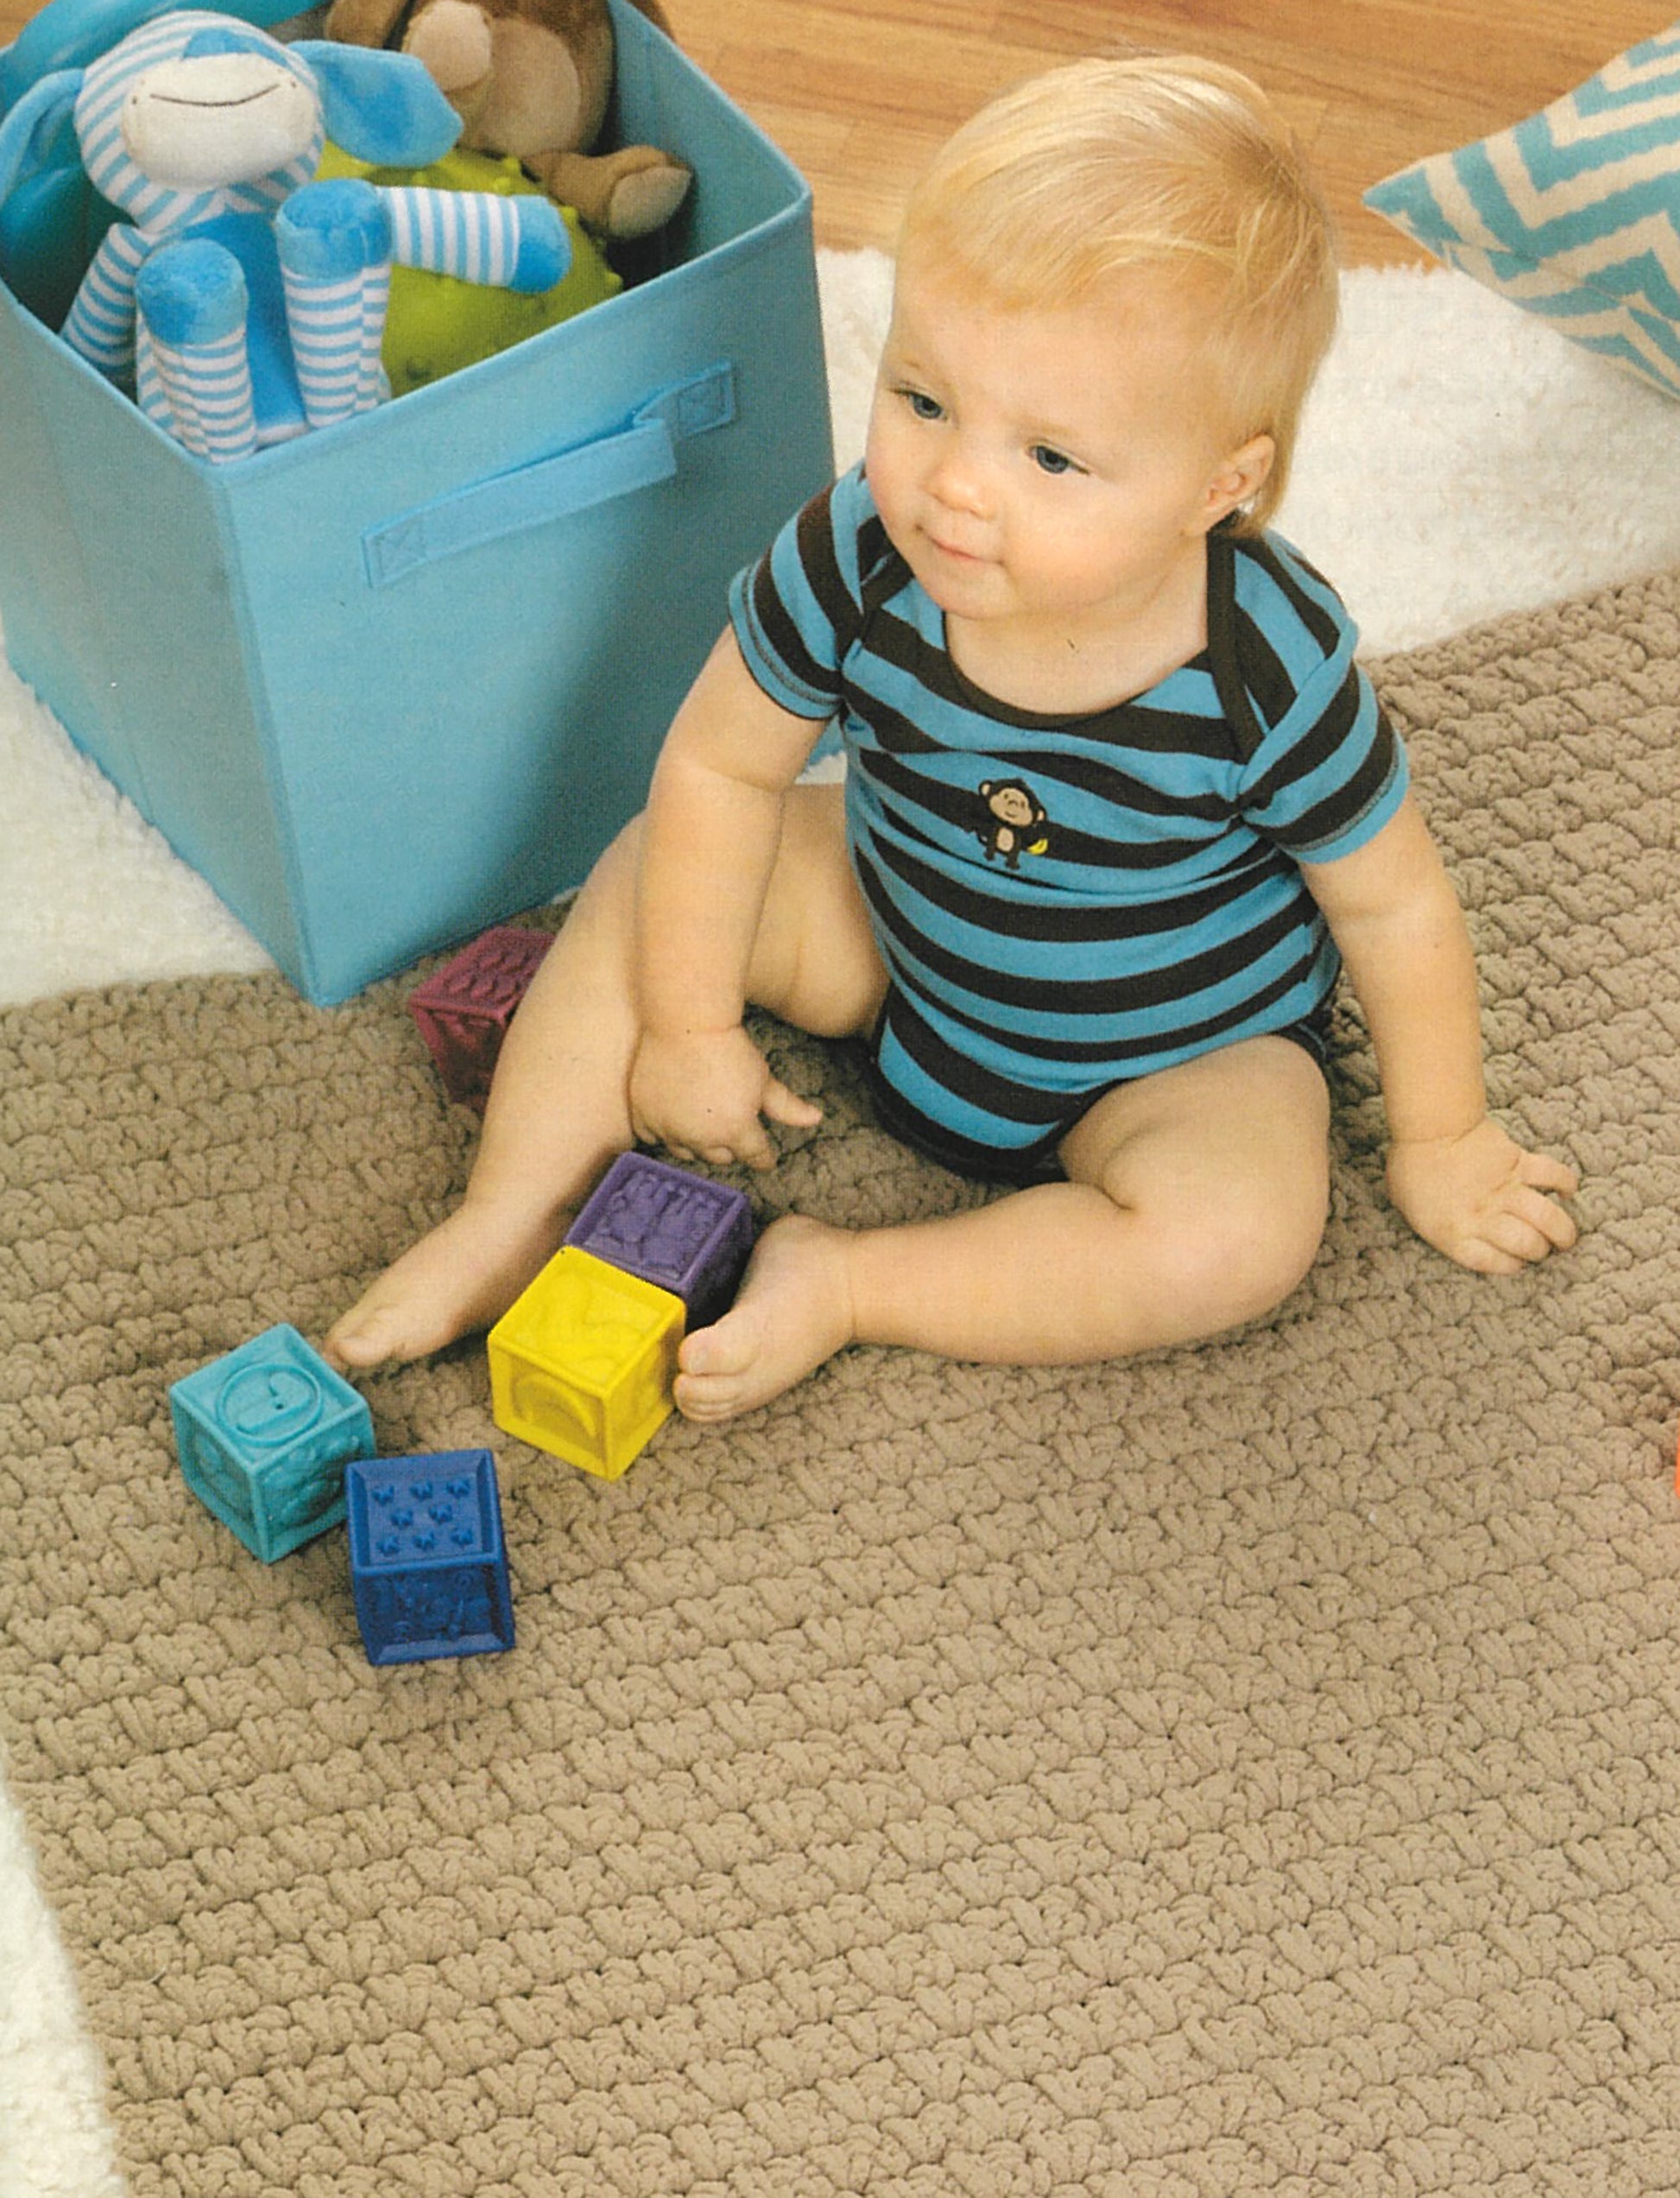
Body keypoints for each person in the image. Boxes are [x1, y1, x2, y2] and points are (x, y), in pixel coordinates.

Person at [325, 54, 1578, 1412]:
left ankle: (854, 1282)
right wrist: (686, 1026)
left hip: (1175, 1053)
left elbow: (1394, 908)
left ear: (1218, 485)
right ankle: (506, 1213)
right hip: (893, 933)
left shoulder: (1264, 663)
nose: (955, 489)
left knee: (1243, 1233)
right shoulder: (860, 547)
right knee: (652, 872)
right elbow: (720, 765)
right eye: (923, 399)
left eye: (1050, 457)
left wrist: (1441, 1135)